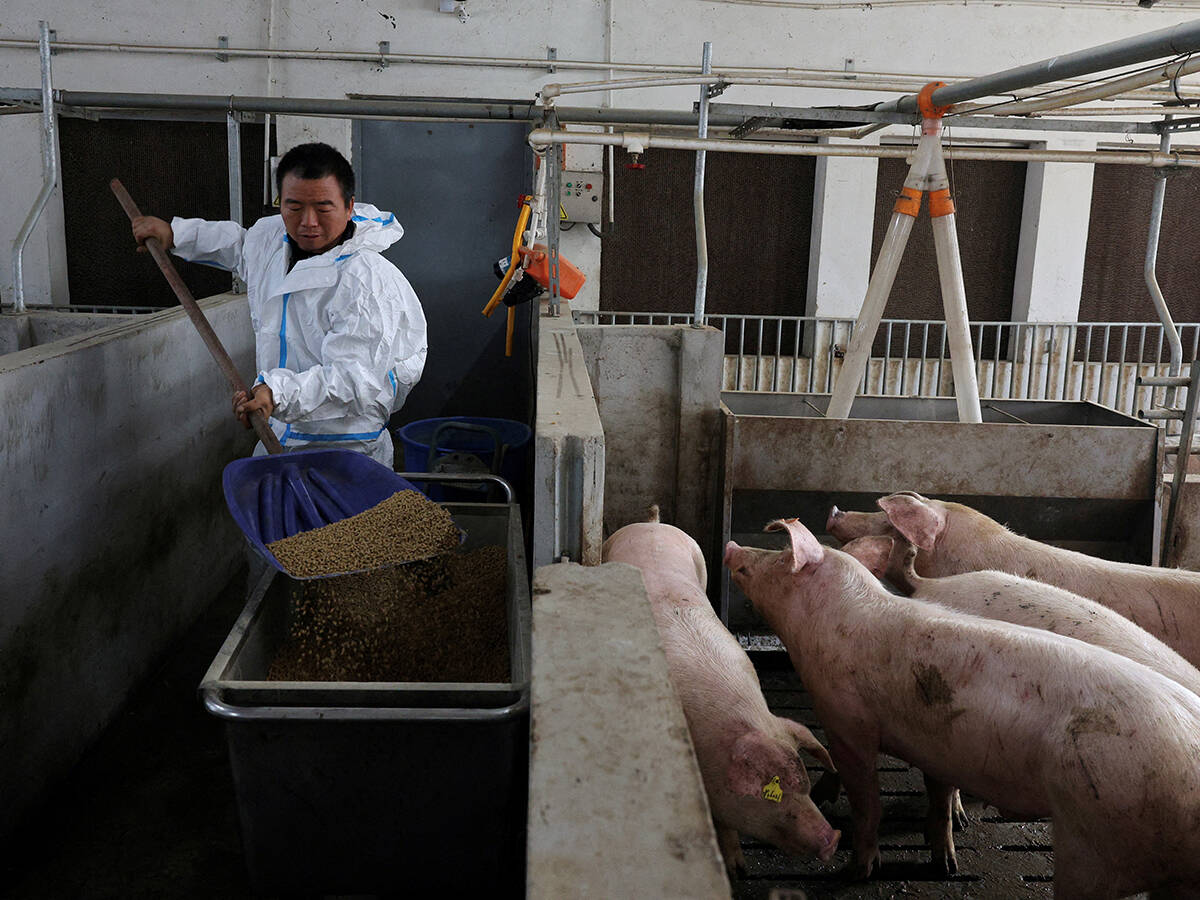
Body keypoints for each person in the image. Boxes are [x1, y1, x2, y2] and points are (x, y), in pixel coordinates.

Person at [131, 142, 426, 467]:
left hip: (345, 448)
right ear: (280, 203)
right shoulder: (272, 241)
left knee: (345, 520)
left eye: (323, 208)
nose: (308, 222)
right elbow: (240, 246)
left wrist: (276, 394)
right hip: (278, 434)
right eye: (294, 207)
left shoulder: (366, 281)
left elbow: (353, 379)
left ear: (349, 206)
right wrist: (176, 234)